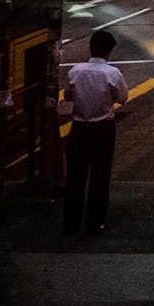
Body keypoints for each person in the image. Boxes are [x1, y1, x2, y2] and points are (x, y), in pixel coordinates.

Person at [64, 29, 129, 234]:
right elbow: (123, 98)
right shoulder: (112, 73)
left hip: (79, 128)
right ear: (109, 50)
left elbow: (67, 96)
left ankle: (71, 222)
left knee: (75, 176)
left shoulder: (75, 71)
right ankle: (94, 222)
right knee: (100, 175)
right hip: (103, 129)